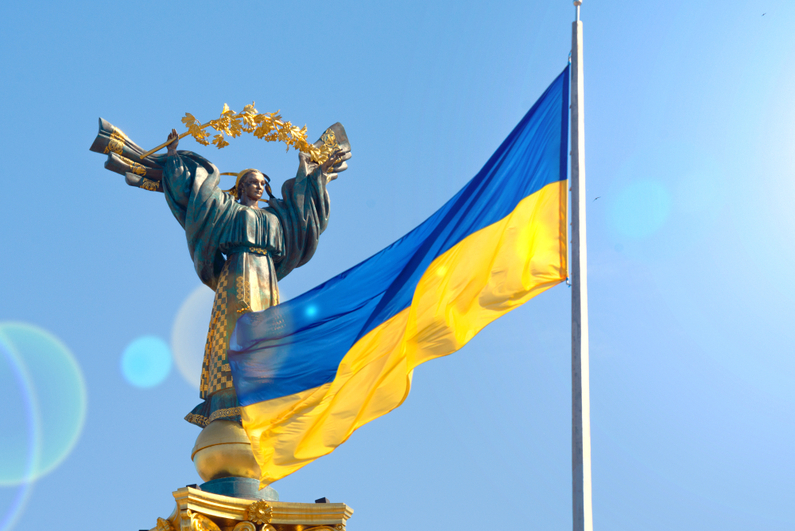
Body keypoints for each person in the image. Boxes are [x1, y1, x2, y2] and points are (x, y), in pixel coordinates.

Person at [157, 129, 351, 428]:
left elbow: (302, 212)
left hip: (266, 277)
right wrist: (173, 158)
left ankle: (262, 386)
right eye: (253, 183)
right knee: (235, 327)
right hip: (237, 271)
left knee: (266, 332)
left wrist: (316, 172)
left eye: (263, 183)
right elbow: (197, 199)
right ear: (241, 186)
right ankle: (228, 390)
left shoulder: (276, 216)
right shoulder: (228, 210)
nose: (259, 187)